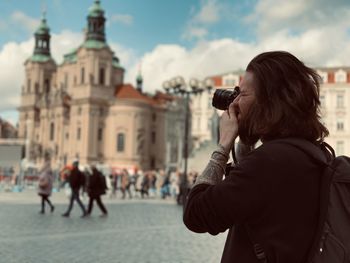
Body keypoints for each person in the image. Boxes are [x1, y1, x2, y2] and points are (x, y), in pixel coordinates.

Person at [183, 51, 330, 263]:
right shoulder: (313, 153)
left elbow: (196, 215)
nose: (235, 103)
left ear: (269, 102)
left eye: (242, 94)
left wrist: (224, 144)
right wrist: (248, 138)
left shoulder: (269, 162)